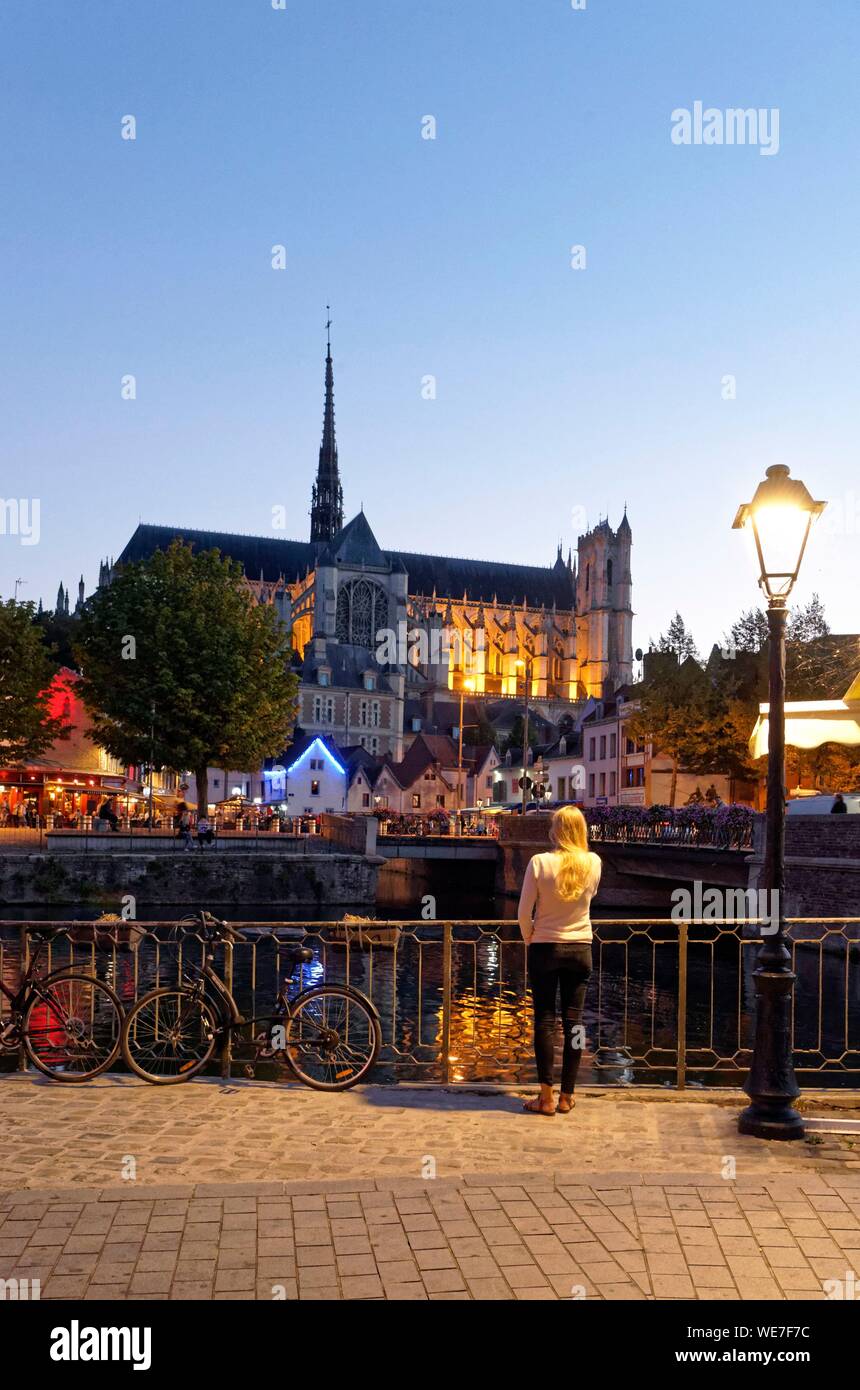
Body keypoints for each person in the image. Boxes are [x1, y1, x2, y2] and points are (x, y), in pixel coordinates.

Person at [517, 804, 601, 1117]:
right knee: (574, 1022)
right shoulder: (593, 863)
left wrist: (531, 938)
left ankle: (546, 1098)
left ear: (555, 831)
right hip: (580, 949)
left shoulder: (539, 863)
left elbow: (524, 913)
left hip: (545, 948)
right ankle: (567, 1096)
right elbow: (588, 900)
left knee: (544, 1020)